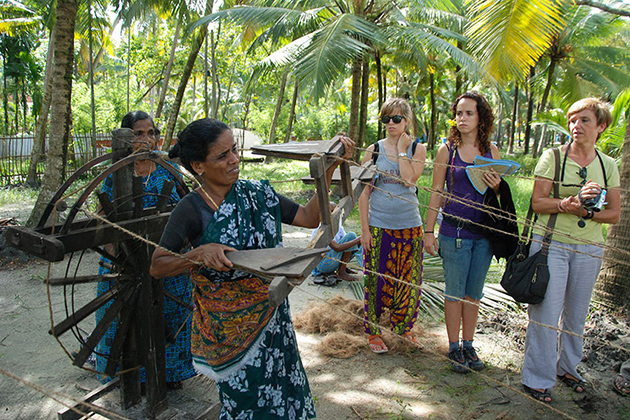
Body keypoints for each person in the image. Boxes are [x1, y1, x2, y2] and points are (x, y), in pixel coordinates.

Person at [150, 118, 354, 419]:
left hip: (272, 317)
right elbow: (157, 265)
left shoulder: (258, 194)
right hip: (229, 333)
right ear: (198, 166)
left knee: (284, 392)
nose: (234, 160)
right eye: (222, 156)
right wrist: (199, 254)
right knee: (245, 401)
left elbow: (309, 218)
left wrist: (330, 167)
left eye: (234, 150)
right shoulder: (192, 209)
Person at [521, 97, 620, 403]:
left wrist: (587, 212)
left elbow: (614, 213)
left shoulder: (608, 165)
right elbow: (537, 203)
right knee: (546, 313)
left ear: (601, 126)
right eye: (573, 120)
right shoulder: (553, 157)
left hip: (589, 248)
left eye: (584, 120)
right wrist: (566, 204)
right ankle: (537, 378)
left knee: (577, 315)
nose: (576, 126)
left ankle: (569, 368)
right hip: (552, 244)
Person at [94, 111, 195, 389]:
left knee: (171, 315)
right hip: (126, 264)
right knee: (122, 315)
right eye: (139, 134)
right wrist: (114, 260)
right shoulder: (116, 175)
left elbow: (188, 213)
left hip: (166, 263)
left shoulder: (168, 171)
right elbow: (103, 220)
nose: (147, 140)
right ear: (126, 138)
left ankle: (170, 373)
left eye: (151, 133)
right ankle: (125, 374)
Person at [424, 92, 501, 373]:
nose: (462, 118)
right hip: (453, 233)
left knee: (474, 294)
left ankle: (469, 344)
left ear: (481, 116)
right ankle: (454, 347)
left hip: (484, 236)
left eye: (469, 113)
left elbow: (498, 196)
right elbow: (435, 191)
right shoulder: (448, 150)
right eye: (459, 113)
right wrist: (428, 231)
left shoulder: (492, 151)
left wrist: (496, 186)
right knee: (454, 293)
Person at [358, 97, 427, 354]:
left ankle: (402, 328)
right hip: (379, 225)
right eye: (386, 119)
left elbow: (409, 180)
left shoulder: (417, 149)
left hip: (410, 225)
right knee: (375, 280)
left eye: (396, 119)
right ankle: (373, 331)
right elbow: (364, 193)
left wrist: (400, 149)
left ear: (407, 121)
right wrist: (365, 230)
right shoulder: (373, 150)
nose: (390, 124)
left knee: (408, 281)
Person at [310, 218, 362, 284]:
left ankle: (343, 267)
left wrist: (360, 239)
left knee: (354, 241)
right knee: (352, 236)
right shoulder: (322, 227)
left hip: (332, 260)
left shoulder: (338, 225)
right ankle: (341, 272)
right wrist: (360, 238)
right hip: (322, 265)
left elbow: (347, 244)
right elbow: (337, 247)